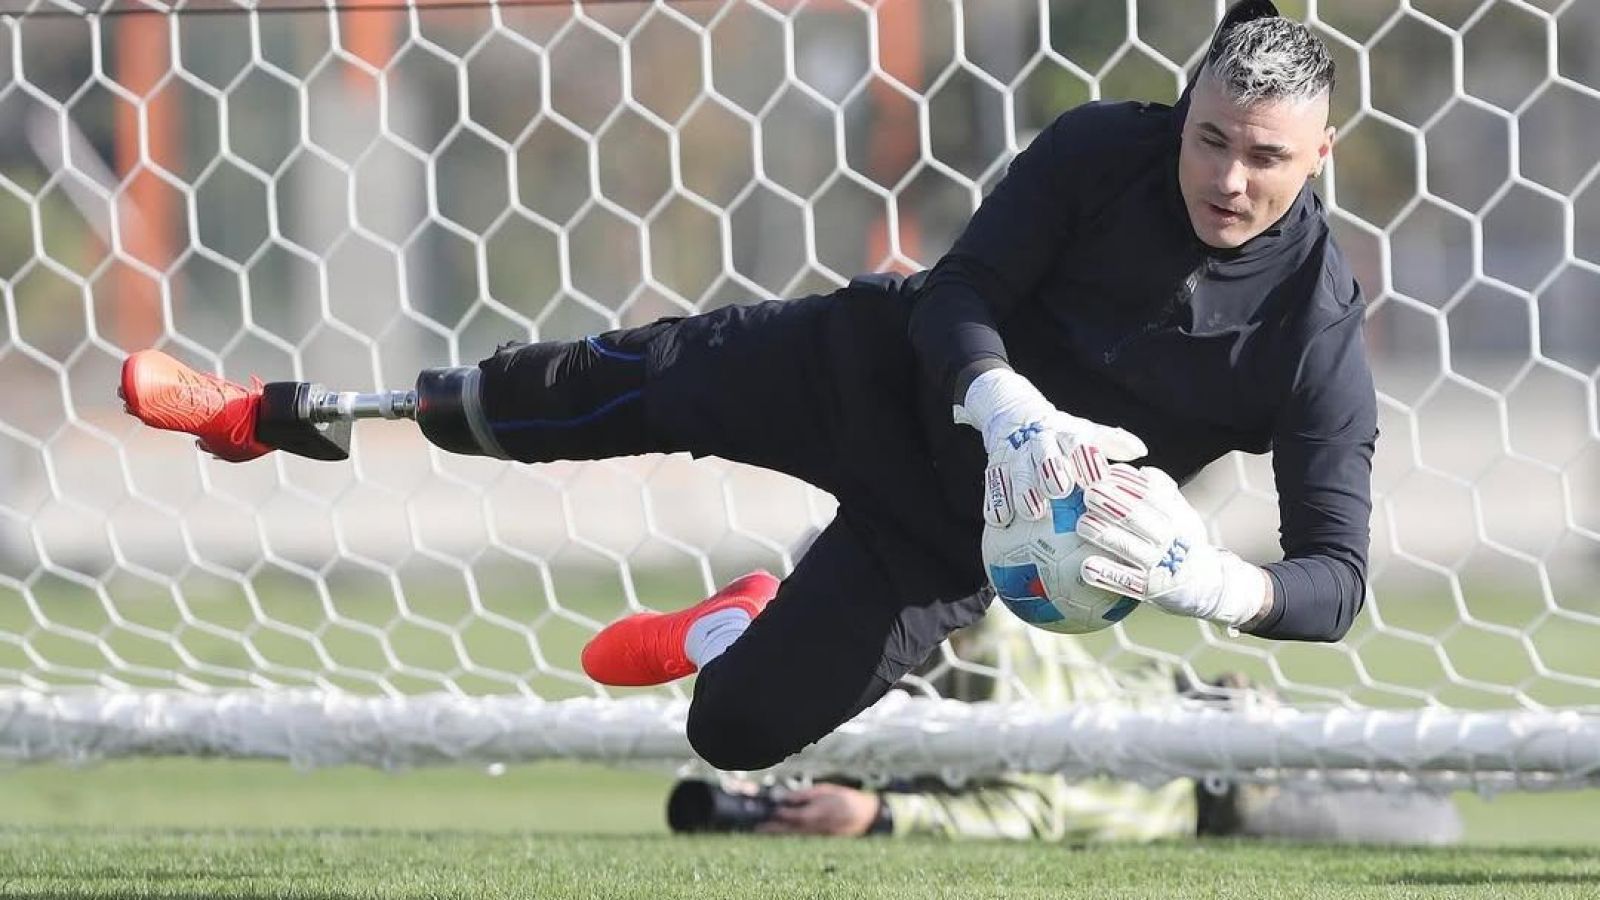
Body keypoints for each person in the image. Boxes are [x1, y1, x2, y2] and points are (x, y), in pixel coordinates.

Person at [121, 2, 1377, 775]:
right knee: (602, 390)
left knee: (732, 732)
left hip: (938, 543)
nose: (1225, 176)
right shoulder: (1103, 146)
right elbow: (957, 292)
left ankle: (737, 623)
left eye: (1265, 156)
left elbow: (1336, 584)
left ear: (1320, 155)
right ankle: (277, 412)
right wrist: (1008, 408)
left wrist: (1206, 583)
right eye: (1209, 138)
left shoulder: (1312, 333)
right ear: (1184, 116)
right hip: (872, 374)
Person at [666, 600, 1461, 845]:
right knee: (1419, 792)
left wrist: (880, 815)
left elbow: (1030, 809)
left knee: (1433, 828)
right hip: (1200, 716)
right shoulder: (949, 661)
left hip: (1222, 780)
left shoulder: (994, 661)